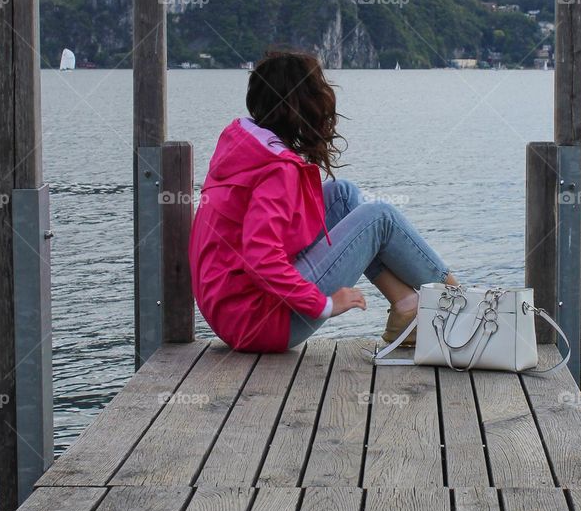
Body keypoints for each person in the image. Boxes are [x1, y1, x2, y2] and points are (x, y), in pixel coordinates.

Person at [189, 48, 458, 353]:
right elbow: (260, 256)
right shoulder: (276, 168)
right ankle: (464, 306)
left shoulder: (244, 144)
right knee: (380, 216)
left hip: (231, 311)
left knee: (342, 195)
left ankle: (407, 305)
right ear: (301, 105)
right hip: (261, 322)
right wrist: (324, 304)